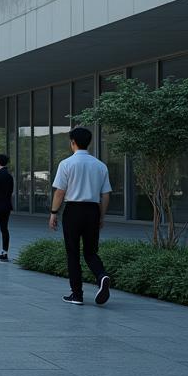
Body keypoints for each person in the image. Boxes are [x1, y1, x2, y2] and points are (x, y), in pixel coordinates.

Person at [49, 127, 112, 306]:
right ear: (89, 142)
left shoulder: (66, 164)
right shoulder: (100, 165)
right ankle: (102, 276)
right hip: (92, 210)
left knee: (73, 253)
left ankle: (77, 295)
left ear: (73, 142)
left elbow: (60, 192)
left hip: (73, 211)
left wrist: (54, 213)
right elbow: (106, 194)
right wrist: (101, 216)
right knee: (91, 252)